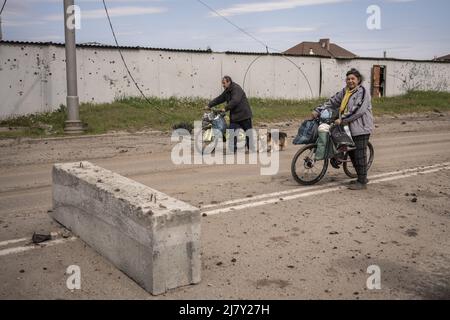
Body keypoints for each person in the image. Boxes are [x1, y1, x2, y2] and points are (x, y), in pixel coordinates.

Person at [312, 68, 374, 190]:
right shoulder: (345, 91)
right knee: (351, 153)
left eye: (353, 79)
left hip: (361, 127)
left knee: (359, 155)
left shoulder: (363, 92)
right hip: (347, 128)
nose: (350, 81)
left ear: (358, 80)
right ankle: (360, 177)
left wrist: (342, 119)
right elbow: (332, 101)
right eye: (348, 79)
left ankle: (362, 182)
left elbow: (358, 110)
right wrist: (318, 110)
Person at [206, 76, 254, 152]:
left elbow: (235, 101)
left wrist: (225, 108)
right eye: (222, 83)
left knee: (248, 133)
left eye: (224, 83)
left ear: (229, 82)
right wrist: (209, 105)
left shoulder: (236, 89)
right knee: (231, 133)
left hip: (244, 115)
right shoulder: (227, 91)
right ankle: (232, 149)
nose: (223, 85)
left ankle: (251, 148)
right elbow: (220, 98)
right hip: (235, 116)